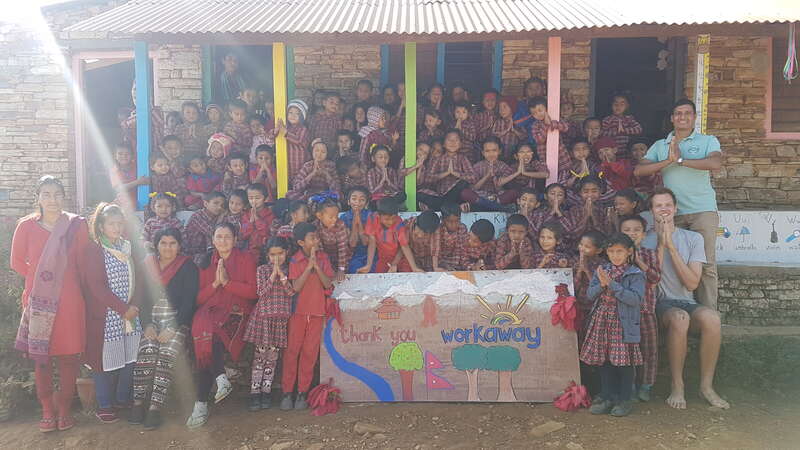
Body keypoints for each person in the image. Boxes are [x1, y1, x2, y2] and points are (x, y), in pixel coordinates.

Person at [12, 176, 138, 432]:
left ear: (64, 196)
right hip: (39, 302)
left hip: (70, 301)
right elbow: (16, 263)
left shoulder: (75, 225)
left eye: (57, 194)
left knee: (69, 357)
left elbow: (84, 265)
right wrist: (44, 280)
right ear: (38, 197)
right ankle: (48, 410)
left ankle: (65, 410)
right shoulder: (26, 226)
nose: (52, 199)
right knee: (43, 359)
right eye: (46, 194)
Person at [641, 188, 729, 410]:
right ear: (651, 211)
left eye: (668, 204)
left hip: (687, 301)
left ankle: (706, 386)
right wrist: (661, 245)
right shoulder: (644, 240)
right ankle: (677, 384)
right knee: (680, 319)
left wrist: (672, 247)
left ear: (675, 208)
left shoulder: (693, 238)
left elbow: (691, 284)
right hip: (661, 305)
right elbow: (652, 281)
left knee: (712, 318)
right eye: (658, 205)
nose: (664, 209)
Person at [635, 98, 722, 310]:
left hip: (703, 210)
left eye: (687, 113)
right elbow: (639, 171)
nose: (682, 117)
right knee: (671, 261)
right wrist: (668, 160)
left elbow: (715, 163)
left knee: (706, 265)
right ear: (672, 119)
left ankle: (707, 314)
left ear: (693, 118)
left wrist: (681, 161)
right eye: (678, 114)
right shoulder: (660, 145)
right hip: (671, 213)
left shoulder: (707, 140)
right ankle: (679, 309)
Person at [187, 223, 257, 429]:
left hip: (236, 311)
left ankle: (200, 404)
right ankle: (220, 377)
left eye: (228, 237)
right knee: (206, 333)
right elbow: (198, 299)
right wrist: (216, 284)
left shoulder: (246, 259)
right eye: (219, 237)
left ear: (236, 240)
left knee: (209, 339)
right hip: (209, 311)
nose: (223, 241)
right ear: (212, 240)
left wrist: (227, 283)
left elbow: (254, 292)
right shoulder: (206, 261)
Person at [130, 227, 198, 430]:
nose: (168, 248)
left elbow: (189, 303)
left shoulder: (188, 267)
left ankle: (154, 408)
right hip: (152, 320)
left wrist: (173, 328)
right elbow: (141, 298)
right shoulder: (148, 265)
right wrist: (147, 324)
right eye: (163, 243)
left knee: (167, 353)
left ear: (179, 245)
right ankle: (137, 404)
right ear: (156, 244)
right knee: (147, 351)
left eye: (173, 243)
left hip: (176, 321)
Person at [85, 204, 143, 424]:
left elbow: (137, 280)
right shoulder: (94, 250)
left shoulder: (127, 248)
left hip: (130, 315)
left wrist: (134, 306)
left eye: (120, 223)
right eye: (112, 223)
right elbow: (97, 287)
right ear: (101, 226)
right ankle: (105, 404)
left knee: (130, 357)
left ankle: (121, 397)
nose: (117, 227)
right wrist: (123, 309)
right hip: (106, 316)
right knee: (102, 360)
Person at [580, 233, 644, 417]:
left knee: (624, 362)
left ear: (629, 252)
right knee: (604, 359)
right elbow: (590, 295)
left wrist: (612, 285)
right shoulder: (602, 270)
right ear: (606, 253)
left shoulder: (635, 274)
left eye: (619, 251)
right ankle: (607, 396)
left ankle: (625, 399)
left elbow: (635, 299)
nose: (615, 255)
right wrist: (601, 284)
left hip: (622, 323)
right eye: (611, 251)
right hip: (601, 320)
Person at [280, 223, 334, 410]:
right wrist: (308, 266)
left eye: (317, 237)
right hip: (298, 313)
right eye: (313, 238)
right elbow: (295, 287)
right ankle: (287, 392)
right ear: (301, 242)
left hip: (318, 313)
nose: (317, 241)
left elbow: (328, 284)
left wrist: (316, 267)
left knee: (309, 354)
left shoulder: (324, 258)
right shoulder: (295, 260)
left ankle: (302, 392)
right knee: (292, 352)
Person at [244, 236, 294, 411]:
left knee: (272, 359)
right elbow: (261, 292)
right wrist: (273, 275)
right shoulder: (262, 270)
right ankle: (254, 393)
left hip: (279, 320)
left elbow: (291, 292)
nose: (276, 258)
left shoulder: (290, 269)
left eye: (280, 254)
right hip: (264, 319)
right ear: (267, 256)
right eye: (273, 255)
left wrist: (283, 277)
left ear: (286, 253)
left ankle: (266, 392)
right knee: (259, 358)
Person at [618, 214, 661, 402]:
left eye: (636, 230)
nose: (632, 233)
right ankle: (631, 387)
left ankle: (646, 386)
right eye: (626, 230)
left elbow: (655, 278)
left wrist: (638, 260)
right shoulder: (616, 255)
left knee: (649, 349)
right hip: (623, 313)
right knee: (628, 351)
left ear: (643, 235)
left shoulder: (649, 254)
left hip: (645, 311)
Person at [362, 198, 417, 273]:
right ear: (378, 216)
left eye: (393, 218)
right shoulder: (372, 219)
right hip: (384, 259)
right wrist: (368, 265)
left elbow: (404, 246)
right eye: (387, 219)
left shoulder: (399, 222)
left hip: (402, 258)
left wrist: (414, 268)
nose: (391, 222)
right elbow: (372, 243)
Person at [428, 129, 478, 211]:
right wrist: (446, 173)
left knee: (462, 184)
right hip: (442, 196)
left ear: (460, 144)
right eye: (449, 139)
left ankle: (448, 205)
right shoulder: (438, 159)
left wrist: (456, 174)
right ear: (443, 144)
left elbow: (473, 178)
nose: (453, 142)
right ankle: (450, 205)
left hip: (458, 196)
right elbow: (428, 178)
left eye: (456, 140)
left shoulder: (462, 158)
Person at [529, 96, 572, 183]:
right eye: (534, 113)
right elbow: (539, 140)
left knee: (563, 179)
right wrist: (546, 125)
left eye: (540, 110)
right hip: (546, 158)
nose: (538, 114)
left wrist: (551, 123)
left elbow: (566, 127)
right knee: (549, 180)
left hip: (561, 155)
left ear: (546, 108)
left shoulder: (556, 118)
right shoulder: (535, 125)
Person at [270, 99, 311, 182]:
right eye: (290, 113)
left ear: (302, 117)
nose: (293, 115)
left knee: (299, 180)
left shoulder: (303, 129)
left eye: (297, 114)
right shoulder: (286, 127)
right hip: (287, 162)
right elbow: (271, 136)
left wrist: (285, 132)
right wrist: (277, 129)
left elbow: (298, 140)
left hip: (300, 162)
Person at [313, 198, 351, 282]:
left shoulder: (340, 225)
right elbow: (320, 250)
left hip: (342, 258)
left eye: (336, 216)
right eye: (331, 217)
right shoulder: (315, 227)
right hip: (325, 258)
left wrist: (341, 269)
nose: (335, 219)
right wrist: (327, 268)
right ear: (319, 216)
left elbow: (342, 248)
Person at [183, 191, 227, 262]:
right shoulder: (197, 216)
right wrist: (221, 219)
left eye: (222, 205)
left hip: (206, 252)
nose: (219, 207)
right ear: (206, 204)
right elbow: (213, 233)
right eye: (215, 203)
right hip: (191, 253)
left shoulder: (218, 216)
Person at [340, 186, 373, 274]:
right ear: (348, 201)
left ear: (366, 203)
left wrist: (360, 225)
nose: (357, 202)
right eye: (354, 199)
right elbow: (352, 244)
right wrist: (355, 224)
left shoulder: (371, 216)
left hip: (370, 254)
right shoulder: (344, 218)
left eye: (361, 200)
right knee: (355, 270)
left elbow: (366, 242)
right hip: (352, 255)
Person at [239, 183, 276, 258]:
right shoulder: (246, 215)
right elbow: (243, 235)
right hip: (248, 251)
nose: (254, 201)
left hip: (264, 251)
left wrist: (257, 219)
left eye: (257, 198)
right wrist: (250, 222)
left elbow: (266, 233)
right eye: (251, 198)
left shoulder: (270, 215)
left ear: (265, 199)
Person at [601, 94, 643, 158]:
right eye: (615, 104)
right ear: (611, 106)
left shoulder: (629, 119)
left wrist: (624, 131)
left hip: (627, 151)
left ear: (627, 106)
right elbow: (602, 133)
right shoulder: (607, 120)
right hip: (612, 152)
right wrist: (616, 132)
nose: (618, 106)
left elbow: (639, 129)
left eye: (622, 104)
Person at [109, 143, 148, 210]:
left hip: (140, 202)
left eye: (127, 154)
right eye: (120, 154)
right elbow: (119, 188)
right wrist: (138, 182)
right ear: (115, 156)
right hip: (123, 205)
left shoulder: (137, 166)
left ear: (132, 156)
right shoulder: (114, 170)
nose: (124, 156)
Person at [435, 202, 468, 271]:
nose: (454, 224)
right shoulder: (438, 230)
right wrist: (446, 267)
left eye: (457, 220)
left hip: (458, 264)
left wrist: (467, 267)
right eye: (450, 221)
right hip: (441, 265)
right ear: (442, 220)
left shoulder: (462, 228)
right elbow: (436, 253)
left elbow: (463, 251)